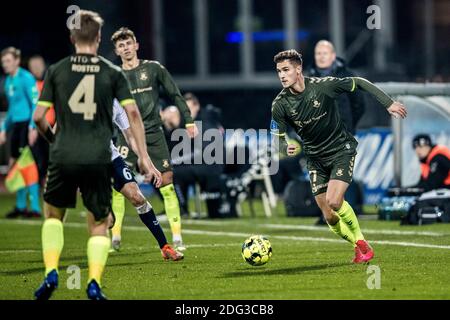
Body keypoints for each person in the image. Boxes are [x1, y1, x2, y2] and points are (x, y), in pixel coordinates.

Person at [32, 10, 158, 300]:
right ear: (99, 38)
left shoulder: (57, 70)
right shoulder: (112, 73)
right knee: (99, 223)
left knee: (53, 216)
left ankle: (51, 272)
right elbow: (133, 115)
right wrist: (142, 156)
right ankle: (93, 284)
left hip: (64, 153)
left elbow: (39, 117)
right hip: (99, 156)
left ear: (72, 37)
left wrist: (54, 142)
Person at [270, 49, 407, 263]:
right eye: (279, 71)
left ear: (299, 69)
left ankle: (361, 242)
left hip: (340, 150)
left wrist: (388, 103)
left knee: (334, 201)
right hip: (315, 160)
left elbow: (359, 82)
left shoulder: (323, 86)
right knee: (329, 215)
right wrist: (283, 146)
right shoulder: (279, 104)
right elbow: (277, 136)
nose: (282, 75)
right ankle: (356, 247)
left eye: (286, 69)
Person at [111, 27, 198, 251]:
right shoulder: (113, 74)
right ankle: (116, 236)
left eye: (128, 43)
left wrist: (188, 121)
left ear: (136, 45)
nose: (126, 48)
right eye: (121, 45)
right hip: (126, 134)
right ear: (116, 50)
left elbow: (175, 94)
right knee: (119, 185)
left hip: (153, 133)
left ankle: (177, 238)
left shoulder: (153, 68)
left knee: (167, 183)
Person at [109, 99, 183, 261]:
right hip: (85, 159)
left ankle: (165, 246)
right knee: (107, 221)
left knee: (138, 198)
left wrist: (148, 163)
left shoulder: (114, 102)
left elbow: (131, 137)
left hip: (110, 157)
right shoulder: (79, 97)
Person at [0, 47, 41, 218]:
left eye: (8, 61)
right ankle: (20, 205)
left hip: (26, 126)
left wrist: (33, 126)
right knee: (16, 166)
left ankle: (36, 208)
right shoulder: (8, 81)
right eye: (3, 62)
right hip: (16, 128)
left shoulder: (26, 78)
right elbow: (11, 110)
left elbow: (35, 103)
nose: (5, 65)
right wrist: (3, 129)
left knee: (28, 167)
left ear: (17, 61)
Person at [172, 93, 225, 218]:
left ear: (196, 106)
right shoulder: (193, 122)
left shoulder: (204, 121)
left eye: (188, 109)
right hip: (203, 163)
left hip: (211, 165)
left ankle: (182, 209)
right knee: (176, 171)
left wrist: (174, 161)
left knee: (176, 173)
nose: (186, 113)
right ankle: (181, 208)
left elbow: (203, 152)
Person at [307, 40, 365, 134]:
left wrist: (348, 126)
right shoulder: (308, 79)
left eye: (325, 53)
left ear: (333, 56)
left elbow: (359, 104)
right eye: (318, 53)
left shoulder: (347, 76)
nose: (321, 57)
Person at [28, 55, 53, 186]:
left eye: (38, 66)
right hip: (36, 128)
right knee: (38, 159)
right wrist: (31, 128)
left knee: (51, 158)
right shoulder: (31, 85)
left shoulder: (49, 83)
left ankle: (49, 183)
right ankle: (38, 184)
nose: (36, 69)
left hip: (50, 127)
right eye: (34, 66)